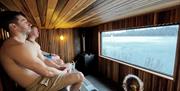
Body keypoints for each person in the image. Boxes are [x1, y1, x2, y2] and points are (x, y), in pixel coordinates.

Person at [0, 11, 84, 91]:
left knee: (69, 69)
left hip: (42, 79)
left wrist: (59, 67)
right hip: (37, 85)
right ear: (13, 26)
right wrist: (64, 72)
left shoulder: (25, 44)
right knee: (79, 76)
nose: (30, 24)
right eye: (24, 21)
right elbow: (47, 72)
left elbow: (44, 60)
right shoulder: (13, 47)